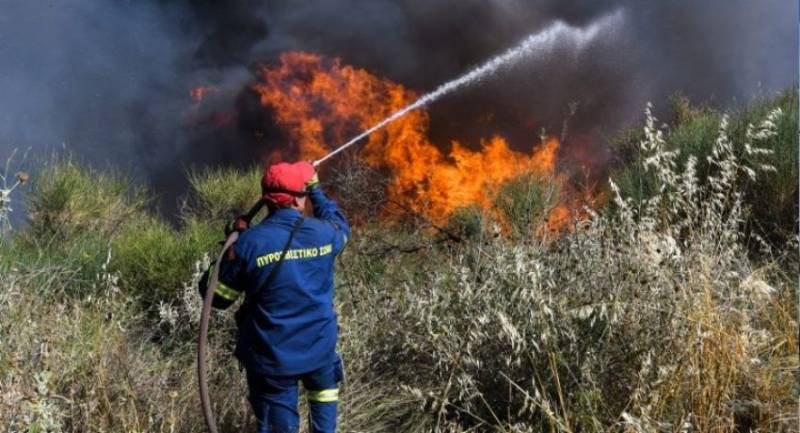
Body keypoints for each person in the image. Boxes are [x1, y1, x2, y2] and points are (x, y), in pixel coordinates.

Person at [199, 161, 350, 433]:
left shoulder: (250, 243)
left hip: (275, 358)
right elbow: (340, 225)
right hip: (320, 351)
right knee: (325, 414)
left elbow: (217, 297)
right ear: (296, 200)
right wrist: (315, 188)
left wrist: (230, 248)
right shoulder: (324, 234)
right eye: (302, 194)